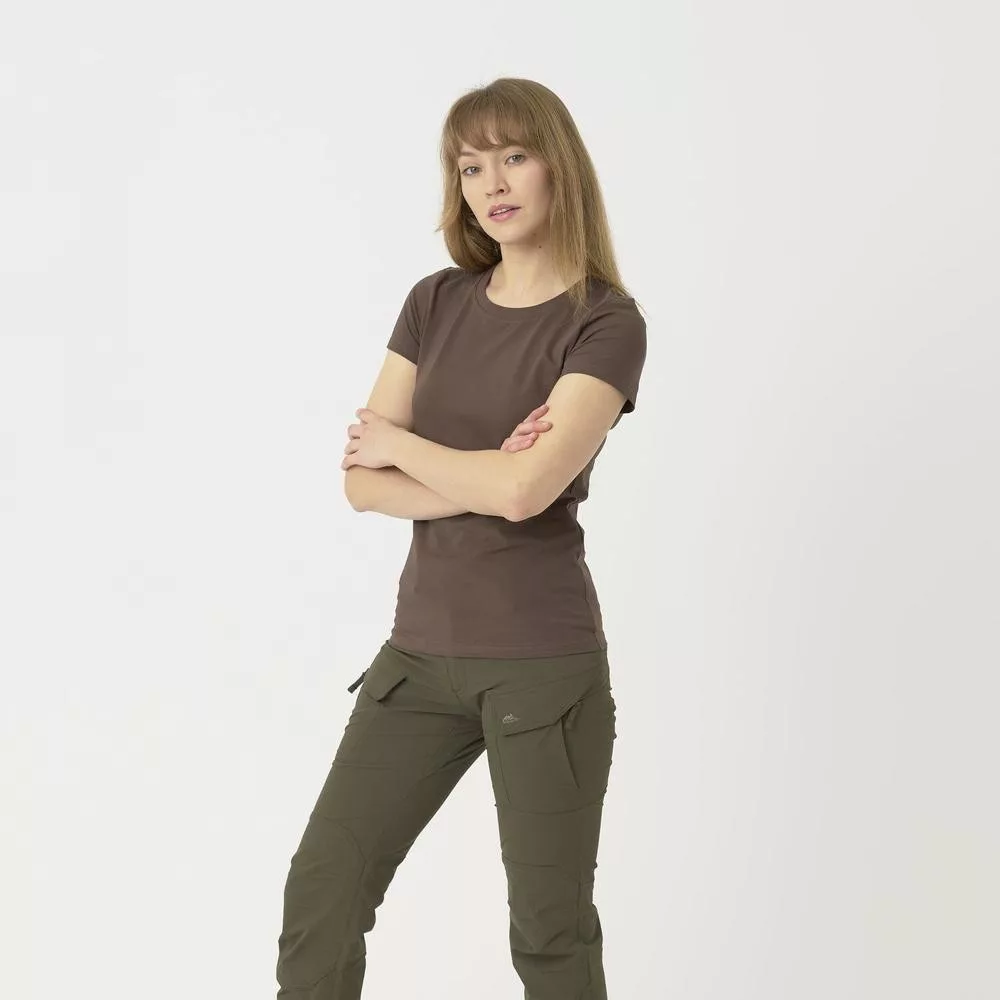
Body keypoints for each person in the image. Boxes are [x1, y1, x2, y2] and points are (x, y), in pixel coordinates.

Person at [275, 76, 647, 999]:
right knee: (323, 890)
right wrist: (482, 471)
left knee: (551, 936)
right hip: (417, 659)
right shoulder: (434, 301)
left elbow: (524, 491)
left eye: (514, 156)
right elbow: (362, 484)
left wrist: (412, 450)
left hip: (542, 671)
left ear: (558, 167)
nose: (493, 183)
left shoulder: (605, 322)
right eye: (471, 166)